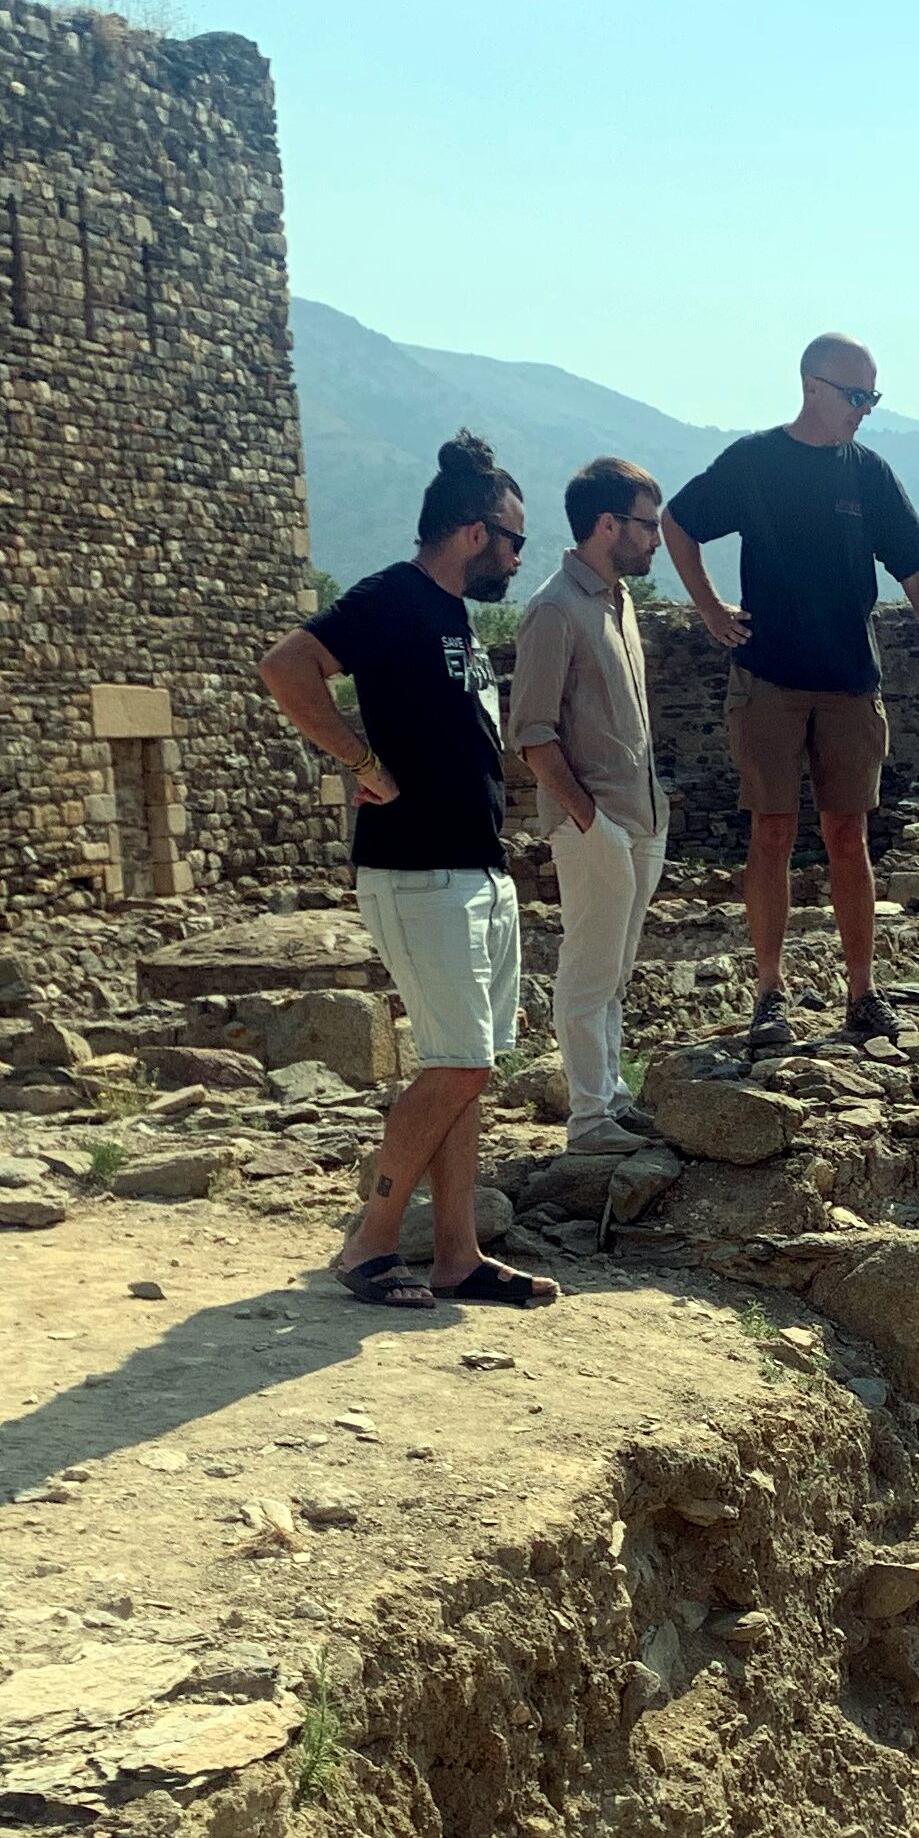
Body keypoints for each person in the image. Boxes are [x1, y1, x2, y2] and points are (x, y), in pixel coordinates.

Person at [255, 431, 559, 1312]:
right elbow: (286, 666)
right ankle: (372, 1239)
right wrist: (357, 759)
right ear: (472, 533)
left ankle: (456, 1255)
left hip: (474, 868)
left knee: (467, 1063)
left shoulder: (454, 612)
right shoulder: (392, 597)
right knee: (459, 1063)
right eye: (513, 540)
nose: (515, 557)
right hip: (419, 869)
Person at [662, 332, 919, 1048]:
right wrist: (710, 609)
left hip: (849, 682)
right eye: (856, 396)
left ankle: (863, 992)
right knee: (771, 832)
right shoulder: (753, 463)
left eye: (874, 397)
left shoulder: (870, 474)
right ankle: (770, 993)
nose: (866, 410)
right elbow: (677, 523)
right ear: (812, 386)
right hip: (769, 677)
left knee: (849, 836)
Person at [509, 456, 669, 1148]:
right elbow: (531, 735)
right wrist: (589, 820)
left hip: (641, 817)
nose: (657, 539)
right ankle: (589, 1117)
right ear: (608, 525)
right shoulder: (554, 608)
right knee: (587, 967)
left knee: (615, 968)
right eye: (647, 525)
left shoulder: (618, 600)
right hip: (595, 822)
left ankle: (612, 1095)